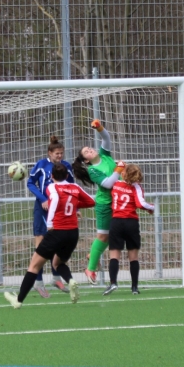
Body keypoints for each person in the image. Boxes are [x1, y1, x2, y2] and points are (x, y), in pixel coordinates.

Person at [6, 161, 95, 309]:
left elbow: (54, 202)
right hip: (73, 233)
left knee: (33, 266)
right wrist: (74, 205)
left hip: (57, 232)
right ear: (67, 175)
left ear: (51, 176)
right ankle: (70, 280)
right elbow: (91, 201)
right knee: (57, 264)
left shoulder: (52, 187)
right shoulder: (75, 187)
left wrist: (49, 224)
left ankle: (18, 300)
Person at [72, 120, 121, 285]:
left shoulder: (105, 155)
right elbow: (108, 183)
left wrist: (99, 128)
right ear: (86, 161)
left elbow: (106, 138)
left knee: (114, 235)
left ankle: (93, 254)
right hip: (104, 205)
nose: (90, 150)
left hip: (117, 202)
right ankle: (90, 268)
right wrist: (119, 170)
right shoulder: (93, 170)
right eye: (86, 152)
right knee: (103, 236)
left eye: (89, 148)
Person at [27, 135, 75, 296]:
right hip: (42, 209)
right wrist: (43, 199)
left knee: (58, 243)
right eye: (57, 153)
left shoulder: (66, 166)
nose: (59, 156)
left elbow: (72, 186)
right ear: (50, 153)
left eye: (61, 153)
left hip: (60, 209)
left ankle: (56, 278)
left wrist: (75, 208)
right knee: (41, 245)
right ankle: (38, 282)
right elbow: (30, 183)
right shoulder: (41, 165)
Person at [103, 164, 154, 296]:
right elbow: (140, 204)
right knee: (133, 257)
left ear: (123, 174)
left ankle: (113, 283)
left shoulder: (115, 184)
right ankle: (134, 287)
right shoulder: (136, 187)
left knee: (114, 255)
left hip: (116, 222)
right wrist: (151, 207)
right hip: (131, 223)